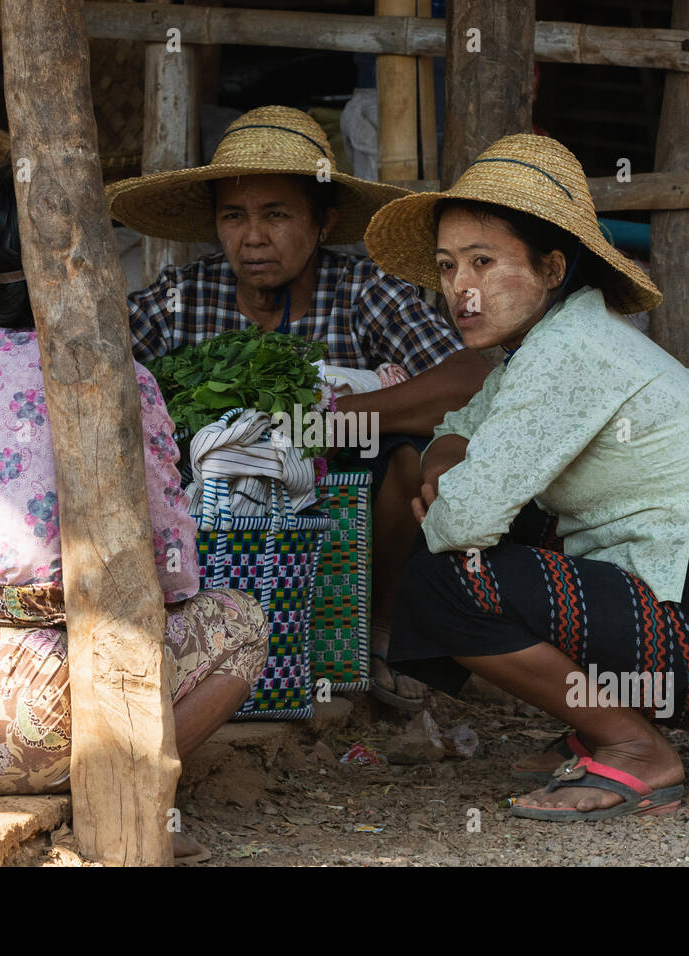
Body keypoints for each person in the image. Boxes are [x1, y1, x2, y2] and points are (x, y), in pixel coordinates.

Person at [363, 135, 689, 820]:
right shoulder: (538, 350)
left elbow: (462, 523)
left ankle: (634, 747)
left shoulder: (567, 353)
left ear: (551, 267)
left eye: (484, 262)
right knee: (505, 515)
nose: (460, 289)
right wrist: (445, 459)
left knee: (447, 577)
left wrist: (446, 490)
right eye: (446, 267)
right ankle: (600, 722)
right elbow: (459, 428)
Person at [0, 167, 269, 861]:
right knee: (242, 623)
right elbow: (168, 575)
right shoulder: (118, 380)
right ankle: (115, 797)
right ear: (86, 265)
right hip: (34, 730)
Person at [108, 105, 491, 710]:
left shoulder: (363, 290)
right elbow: (99, 361)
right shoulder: (186, 296)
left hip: (349, 499)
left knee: (413, 462)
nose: (253, 236)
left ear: (322, 221)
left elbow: (473, 377)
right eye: (234, 217)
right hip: (215, 512)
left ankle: (380, 628)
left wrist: (338, 419)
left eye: (276, 215)